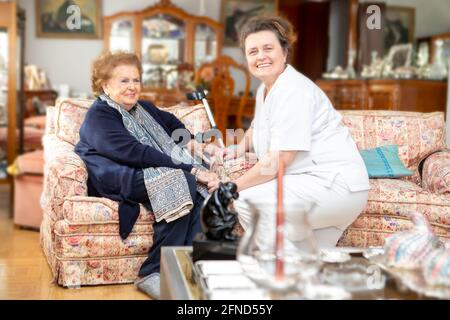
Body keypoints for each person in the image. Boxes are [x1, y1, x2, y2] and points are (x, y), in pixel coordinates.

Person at [209, 16, 370, 248]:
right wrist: (238, 149)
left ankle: (274, 272)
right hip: (318, 186)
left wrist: (233, 186)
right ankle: (286, 274)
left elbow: (281, 159)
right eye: (252, 51)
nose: (260, 56)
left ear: (284, 52)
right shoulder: (267, 89)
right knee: (312, 267)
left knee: (246, 201)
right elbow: (258, 127)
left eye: (268, 48)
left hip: (334, 187)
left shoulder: (294, 90)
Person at [75, 51, 219, 299]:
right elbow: (135, 152)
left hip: (146, 169)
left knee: (198, 191)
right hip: (118, 175)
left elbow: (172, 123)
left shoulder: (144, 108)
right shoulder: (100, 115)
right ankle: (153, 272)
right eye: (124, 81)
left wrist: (191, 144)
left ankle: (186, 264)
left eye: (136, 80)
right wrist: (191, 168)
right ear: (105, 84)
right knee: (181, 180)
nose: (132, 87)